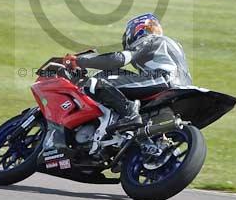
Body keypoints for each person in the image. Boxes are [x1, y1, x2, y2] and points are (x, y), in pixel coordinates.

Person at [63, 13, 192, 130]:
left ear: (136, 30)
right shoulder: (173, 44)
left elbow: (119, 59)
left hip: (162, 79)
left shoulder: (148, 39)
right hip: (184, 86)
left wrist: (80, 62)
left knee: (94, 82)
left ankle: (129, 113)